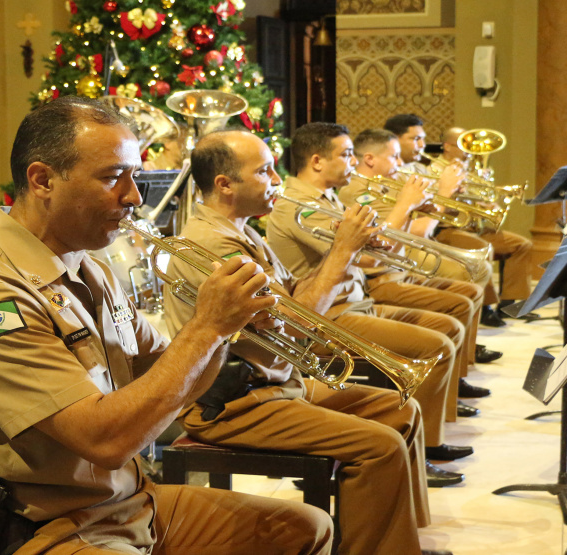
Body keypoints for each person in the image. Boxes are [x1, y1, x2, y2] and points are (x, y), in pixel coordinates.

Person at [0, 97, 333, 555]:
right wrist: (206, 328)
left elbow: (173, 380)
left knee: (305, 527)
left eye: (134, 176)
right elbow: (106, 440)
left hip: (127, 503)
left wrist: (226, 330)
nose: (134, 197)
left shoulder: (87, 267)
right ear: (42, 180)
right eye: (112, 177)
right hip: (47, 528)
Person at [163, 129, 455, 555]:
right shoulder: (213, 245)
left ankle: (397, 543)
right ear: (225, 184)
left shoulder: (242, 229)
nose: (277, 180)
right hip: (232, 402)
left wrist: (346, 252)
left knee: (400, 410)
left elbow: (292, 294)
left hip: (274, 383)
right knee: (380, 445)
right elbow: (298, 325)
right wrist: (344, 251)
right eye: (263, 171)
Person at [265, 122, 476, 465]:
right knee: (436, 344)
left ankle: (431, 430)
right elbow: (364, 256)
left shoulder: (326, 195)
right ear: (317, 161)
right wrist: (404, 206)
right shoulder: (299, 205)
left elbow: (379, 247)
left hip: (355, 302)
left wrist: (410, 213)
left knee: (449, 328)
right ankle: (425, 450)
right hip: (327, 317)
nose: (353, 162)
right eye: (346, 154)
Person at [341, 128, 494, 407]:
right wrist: (438, 197)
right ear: (371, 159)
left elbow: (415, 225)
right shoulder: (357, 191)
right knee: (462, 285)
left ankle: (455, 380)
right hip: (383, 275)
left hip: (398, 266)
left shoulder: (388, 183)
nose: (401, 164)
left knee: (467, 291)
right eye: (395, 157)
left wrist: (439, 201)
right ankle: (446, 390)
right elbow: (412, 233)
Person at [384, 114, 505, 330]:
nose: (422, 145)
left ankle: (469, 332)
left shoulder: (419, 169)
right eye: (415, 139)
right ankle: (463, 328)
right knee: (471, 267)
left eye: (423, 139)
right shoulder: (392, 177)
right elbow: (419, 226)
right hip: (411, 244)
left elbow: (435, 207)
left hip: (425, 237)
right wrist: (446, 192)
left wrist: (457, 196)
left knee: (481, 263)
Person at [434, 126, 533, 318]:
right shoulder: (435, 169)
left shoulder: (469, 169)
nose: (469, 151)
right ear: (447, 146)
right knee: (483, 248)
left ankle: (509, 305)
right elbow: (435, 205)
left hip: (474, 227)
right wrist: (455, 194)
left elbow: (476, 197)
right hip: (448, 230)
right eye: (464, 145)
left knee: (522, 245)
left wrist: (487, 204)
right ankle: (486, 308)